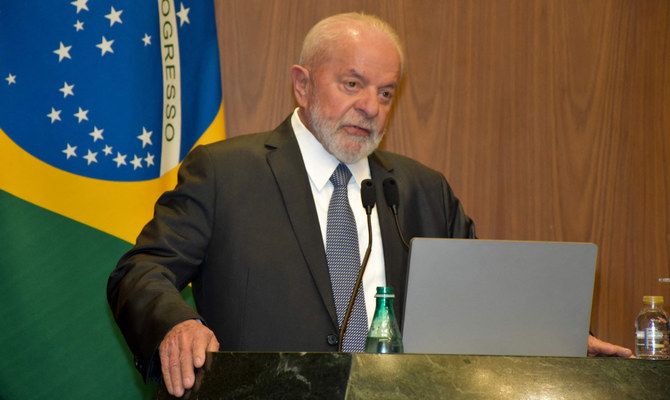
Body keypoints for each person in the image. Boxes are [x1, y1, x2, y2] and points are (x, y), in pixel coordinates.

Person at [107, 12, 631, 398]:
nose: (370, 107)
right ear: (302, 84)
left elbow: (478, 297)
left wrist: (548, 335)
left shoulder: (421, 190)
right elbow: (140, 271)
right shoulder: (226, 172)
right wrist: (176, 324)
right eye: (353, 84)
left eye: (385, 93)